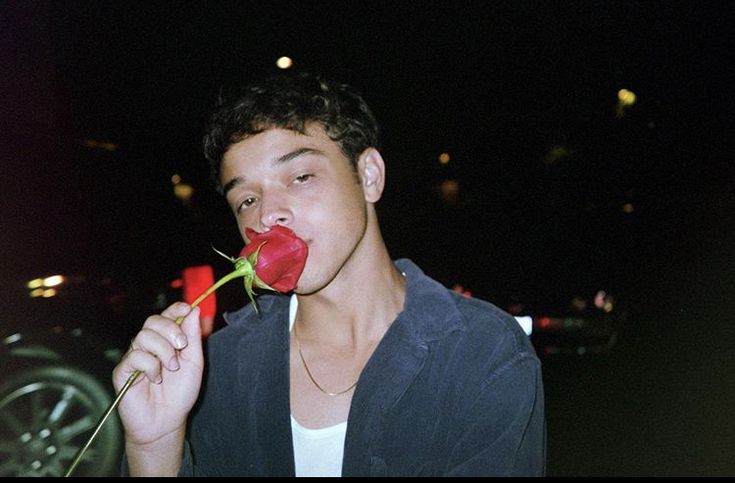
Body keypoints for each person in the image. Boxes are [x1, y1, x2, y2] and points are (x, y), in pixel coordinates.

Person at [113, 72, 546, 477]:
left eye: (300, 176)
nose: (268, 215)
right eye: (246, 200)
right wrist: (154, 447)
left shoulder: (483, 354)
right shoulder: (216, 368)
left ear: (369, 176)